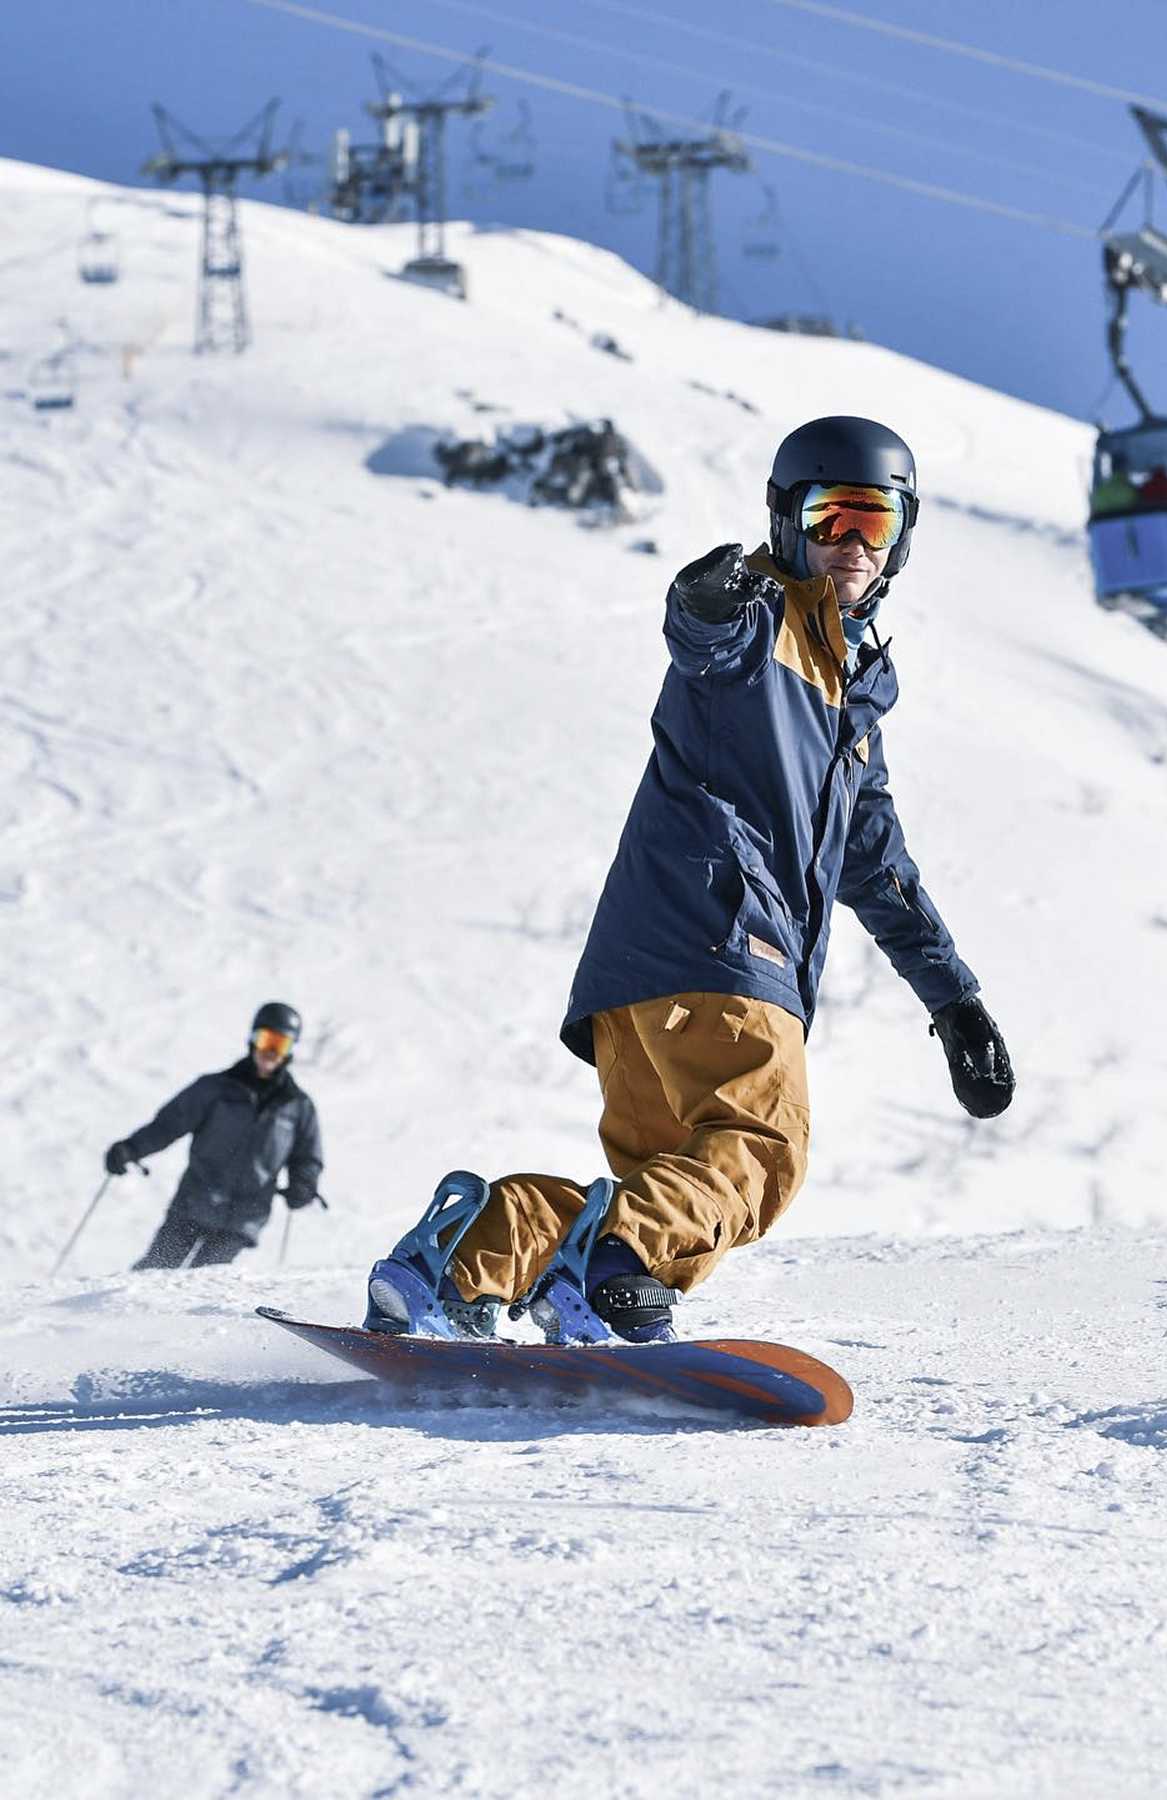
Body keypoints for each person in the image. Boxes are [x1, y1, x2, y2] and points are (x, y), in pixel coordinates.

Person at [366, 416, 1014, 1344]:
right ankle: (613, 1274)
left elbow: (877, 861)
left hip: (640, 978)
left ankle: (465, 1258)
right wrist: (704, 600)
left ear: (904, 534)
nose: (851, 546)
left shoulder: (851, 700)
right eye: (829, 519)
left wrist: (955, 1003)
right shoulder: (764, 624)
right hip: (724, 942)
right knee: (761, 1149)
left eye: (874, 521)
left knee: (665, 1181)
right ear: (788, 524)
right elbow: (701, 635)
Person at [109, 1002, 324, 1271]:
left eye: (280, 1044)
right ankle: (115, 1312)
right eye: (266, 1039)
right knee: (155, 1272)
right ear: (253, 1040)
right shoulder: (214, 1089)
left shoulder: (298, 1107)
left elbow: (307, 1157)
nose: (270, 1051)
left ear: (290, 1051)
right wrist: (131, 1148)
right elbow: (168, 1124)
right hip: (193, 1205)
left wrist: (303, 1184)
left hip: (243, 1220)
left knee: (199, 1286)